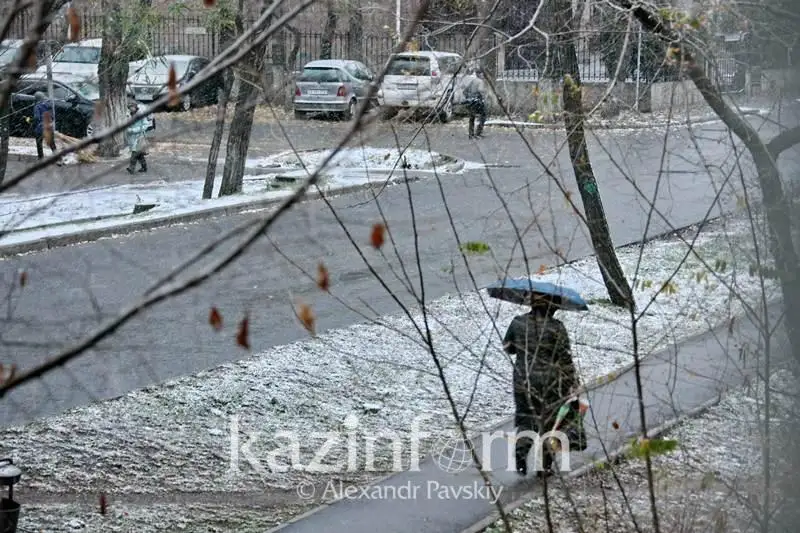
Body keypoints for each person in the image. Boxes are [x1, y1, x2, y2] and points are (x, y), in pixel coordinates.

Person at [503, 297, 579, 477]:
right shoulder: (556, 328)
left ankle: (521, 452)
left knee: (526, 419)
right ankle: (544, 467)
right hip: (549, 383)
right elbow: (565, 358)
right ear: (551, 307)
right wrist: (571, 382)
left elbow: (508, 347)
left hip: (523, 380)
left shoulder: (517, 323)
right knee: (550, 424)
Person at [33, 92, 59, 163]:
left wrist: (32, 122)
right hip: (49, 127)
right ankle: (57, 158)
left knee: (39, 143)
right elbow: (52, 117)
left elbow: (36, 118)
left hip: (40, 128)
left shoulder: (37, 106)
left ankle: (41, 158)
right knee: (52, 143)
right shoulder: (48, 105)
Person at [463, 66, 488, 139]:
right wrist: (483, 97)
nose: (483, 75)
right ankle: (478, 133)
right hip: (478, 102)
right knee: (483, 116)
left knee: (472, 118)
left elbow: (464, 91)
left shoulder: (473, 81)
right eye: (482, 74)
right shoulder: (480, 81)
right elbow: (480, 90)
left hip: (471, 102)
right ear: (480, 74)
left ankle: (471, 134)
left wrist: (469, 97)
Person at [125, 101, 149, 174]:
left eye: (132, 107)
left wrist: (134, 130)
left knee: (134, 153)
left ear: (135, 107)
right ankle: (144, 167)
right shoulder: (128, 115)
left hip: (139, 136)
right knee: (139, 155)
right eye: (129, 107)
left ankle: (131, 168)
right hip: (131, 137)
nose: (131, 109)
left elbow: (145, 125)